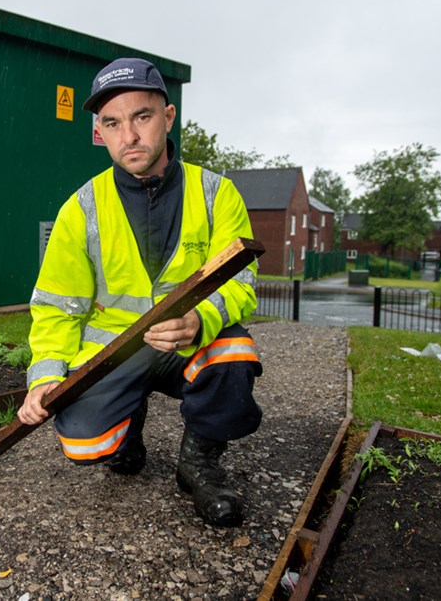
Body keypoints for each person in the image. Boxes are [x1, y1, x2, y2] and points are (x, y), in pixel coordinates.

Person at [16, 57, 263, 527]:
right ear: (99, 131)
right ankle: (128, 428)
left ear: (168, 118)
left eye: (141, 117)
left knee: (232, 351)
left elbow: (240, 281)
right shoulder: (81, 210)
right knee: (85, 443)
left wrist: (200, 320)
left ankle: (198, 468)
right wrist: (45, 377)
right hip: (114, 349)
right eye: (112, 123)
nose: (128, 136)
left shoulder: (216, 194)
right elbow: (55, 307)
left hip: (186, 343)